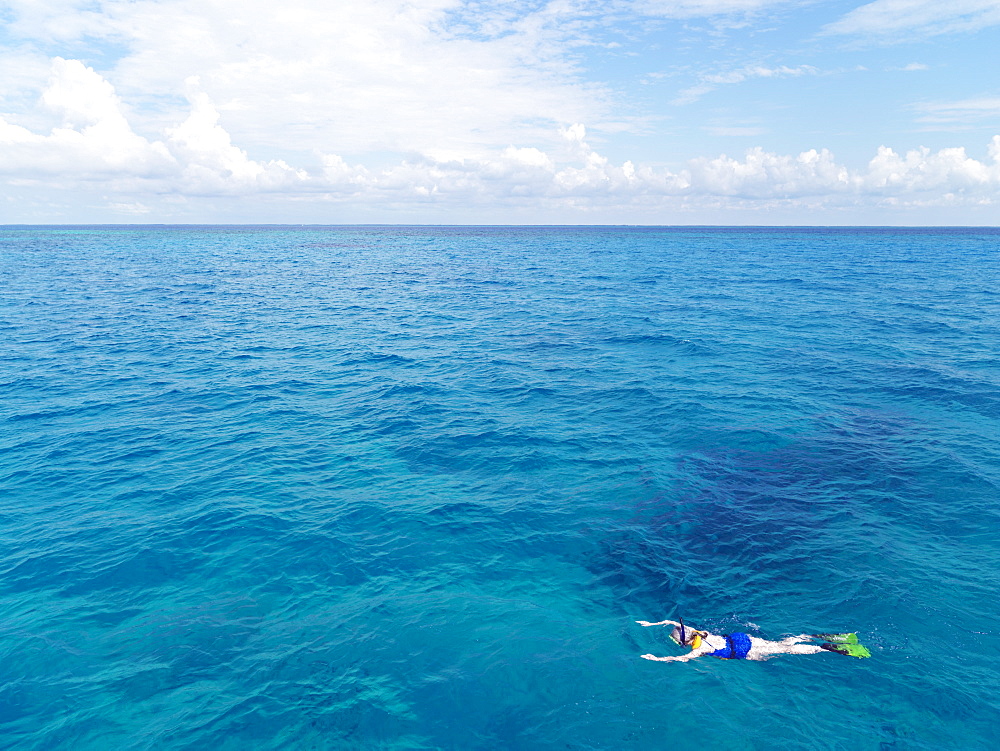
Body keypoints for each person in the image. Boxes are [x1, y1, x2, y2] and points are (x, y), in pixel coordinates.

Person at [636, 618, 870, 661]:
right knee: (780, 644)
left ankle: (825, 649)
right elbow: (672, 622)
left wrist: (654, 658)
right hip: (743, 638)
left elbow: (676, 660)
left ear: (685, 642)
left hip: (745, 651)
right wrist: (652, 623)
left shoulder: (697, 651)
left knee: (785, 651)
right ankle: (811, 636)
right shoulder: (700, 632)